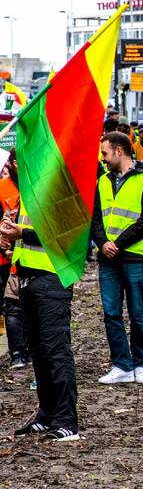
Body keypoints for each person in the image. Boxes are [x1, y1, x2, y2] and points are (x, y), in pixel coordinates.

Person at [1, 168, 80, 441]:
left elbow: (62, 233)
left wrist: (22, 232)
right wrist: (9, 238)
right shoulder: (31, 192)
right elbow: (26, 233)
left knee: (55, 350)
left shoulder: (58, 190)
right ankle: (47, 415)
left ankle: (67, 421)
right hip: (28, 278)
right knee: (39, 351)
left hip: (52, 280)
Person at [92, 131, 143, 385]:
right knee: (111, 312)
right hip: (109, 257)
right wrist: (102, 243)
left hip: (135, 256)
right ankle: (122, 365)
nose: (102, 158)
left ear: (119, 151)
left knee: (137, 313)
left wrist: (116, 244)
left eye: (105, 153)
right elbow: (95, 218)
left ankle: (139, 363)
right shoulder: (102, 181)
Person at [0, 152, 27, 370]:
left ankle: (27, 349)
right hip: (5, 259)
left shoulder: (37, 185)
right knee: (12, 305)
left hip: (30, 257)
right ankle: (17, 352)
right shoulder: (3, 188)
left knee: (29, 305)